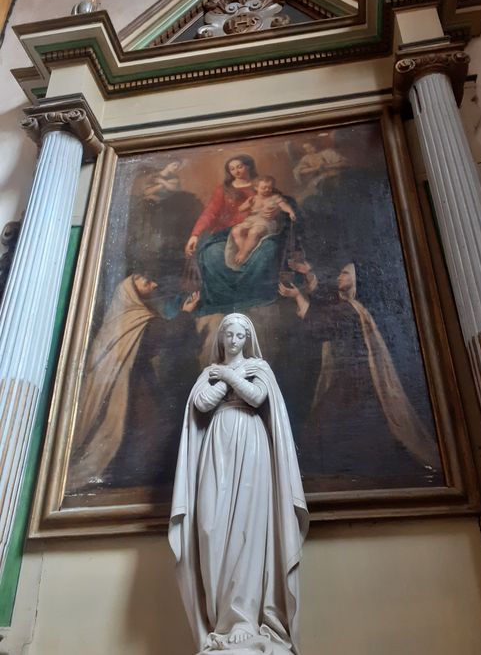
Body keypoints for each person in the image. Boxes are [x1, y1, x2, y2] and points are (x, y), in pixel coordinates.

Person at [169, 313, 308, 654]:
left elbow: (258, 398)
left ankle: (244, 619)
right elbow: (201, 403)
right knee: (210, 528)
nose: (233, 341)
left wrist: (228, 375)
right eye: (228, 335)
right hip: (216, 445)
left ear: (248, 338)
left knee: (247, 530)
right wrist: (226, 378)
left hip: (251, 445)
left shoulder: (258, 367)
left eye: (239, 335)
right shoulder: (208, 375)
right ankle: (220, 622)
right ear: (221, 338)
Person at [279, 263, 440, 485]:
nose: (339, 276)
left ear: (355, 280)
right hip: (351, 379)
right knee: (336, 429)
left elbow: (320, 326)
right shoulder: (350, 306)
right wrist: (307, 275)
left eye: (344, 273)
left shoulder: (350, 309)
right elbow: (326, 303)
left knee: (322, 428)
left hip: (353, 380)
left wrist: (298, 297)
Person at [68, 274, 200, 489]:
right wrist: (185, 315)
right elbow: (165, 334)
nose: (155, 283)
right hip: (129, 392)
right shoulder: (131, 320)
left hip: (136, 384)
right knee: (148, 432)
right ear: (130, 290)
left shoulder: (118, 322)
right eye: (147, 281)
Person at [183, 155, 291, 314]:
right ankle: (223, 301)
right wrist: (195, 234)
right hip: (228, 233)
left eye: (240, 166)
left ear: (249, 166)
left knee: (269, 248)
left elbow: (283, 203)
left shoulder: (263, 185)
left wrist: (277, 211)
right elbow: (209, 213)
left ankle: (255, 298)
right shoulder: (224, 189)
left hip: (261, 230)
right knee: (212, 253)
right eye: (232, 169)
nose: (236, 171)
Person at [226, 175, 297, 268]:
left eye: (270, 188)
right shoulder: (253, 198)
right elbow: (240, 209)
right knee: (236, 231)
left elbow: (284, 205)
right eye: (264, 188)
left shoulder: (275, 197)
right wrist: (247, 205)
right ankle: (245, 253)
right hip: (251, 220)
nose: (267, 190)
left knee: (254, 231)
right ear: (256, 188)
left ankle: (243, 254)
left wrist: (291, 212)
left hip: (266, 222)